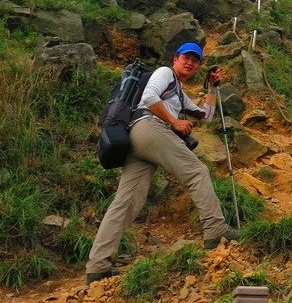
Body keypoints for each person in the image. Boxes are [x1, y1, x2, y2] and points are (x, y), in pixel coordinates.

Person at [85, 42, 239, 284]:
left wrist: (210, 88)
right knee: (197, 172)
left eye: (195, 60)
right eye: (186, 57)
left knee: (126, 202)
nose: (190, 62)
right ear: (175, 59)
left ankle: (97, 266)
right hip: (147, 128)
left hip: (137, 142)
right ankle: (215, 230)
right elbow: (148, 96)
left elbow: (206, 116)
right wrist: (174, 122)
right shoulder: (165, 73)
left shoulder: (178, 92)